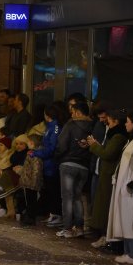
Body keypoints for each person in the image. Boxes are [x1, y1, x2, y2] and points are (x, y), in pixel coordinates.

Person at [106, 112, 133, 265]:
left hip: (132, 188)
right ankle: (129, 251)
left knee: (132, 221)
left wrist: (132, 183)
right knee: (125, 219)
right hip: (126, 186)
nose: (125, 124)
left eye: (128, 121)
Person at [85, 109, 127, 249]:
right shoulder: (112, 134)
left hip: (109, 175)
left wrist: (94, 145)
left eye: (108, 120)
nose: (106, 123)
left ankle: (106, 236)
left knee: (104, 207)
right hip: (103, 173)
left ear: (115, 121)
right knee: (100, 206)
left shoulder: (118, 136)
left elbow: (107, 153)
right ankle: (104, 235)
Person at [53, 101, 93, 238]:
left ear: (77, 112)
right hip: (84, 166)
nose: (71, 114)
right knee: (77, 197)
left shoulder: (71, 124)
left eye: (72, 112)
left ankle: (67, 228)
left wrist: (58, 157)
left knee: (67, 198)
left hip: (68, 164)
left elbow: (61, 145)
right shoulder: (93, 126)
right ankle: (80, 227)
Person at [29, 104, 62, 227]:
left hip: (52, 165)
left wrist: (36, 153)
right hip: (47, 165)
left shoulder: (55, 128)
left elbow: (51, 148)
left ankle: (56, 215)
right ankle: (52, 214)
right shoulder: (49, 127)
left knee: (53, 190)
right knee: (48, 190)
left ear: (47, 115)